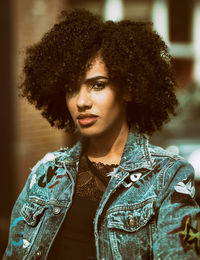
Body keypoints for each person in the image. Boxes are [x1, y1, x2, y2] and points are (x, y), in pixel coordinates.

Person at [4, 8, 200, 260]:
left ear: (128, 89)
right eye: (72, 88)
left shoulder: (168, 177)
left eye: (98, 85)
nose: (82, 101)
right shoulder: (45, 174)